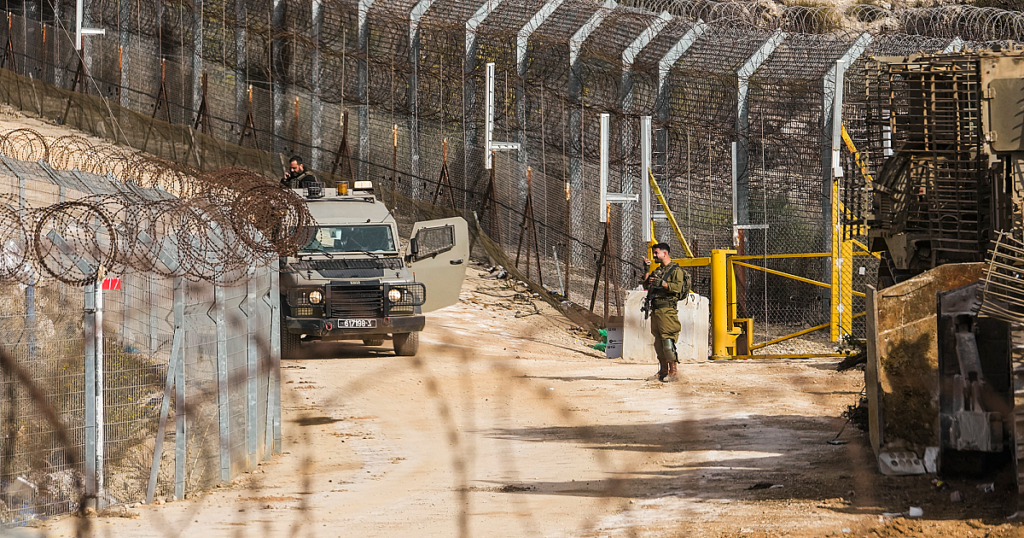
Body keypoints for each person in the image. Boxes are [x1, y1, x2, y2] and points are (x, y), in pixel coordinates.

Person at [642, 242, 690, 382]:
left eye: (656, 253)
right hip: (656, 310)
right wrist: (647, 270)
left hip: (668, 310)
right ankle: (663, 371)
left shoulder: (676, 270)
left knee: (668, 342)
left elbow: (677, 287)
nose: (654, 256)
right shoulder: (658, 270)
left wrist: (662, 284)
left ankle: (673, 372)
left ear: (665, 253)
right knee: (658, 343)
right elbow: (646, 285)